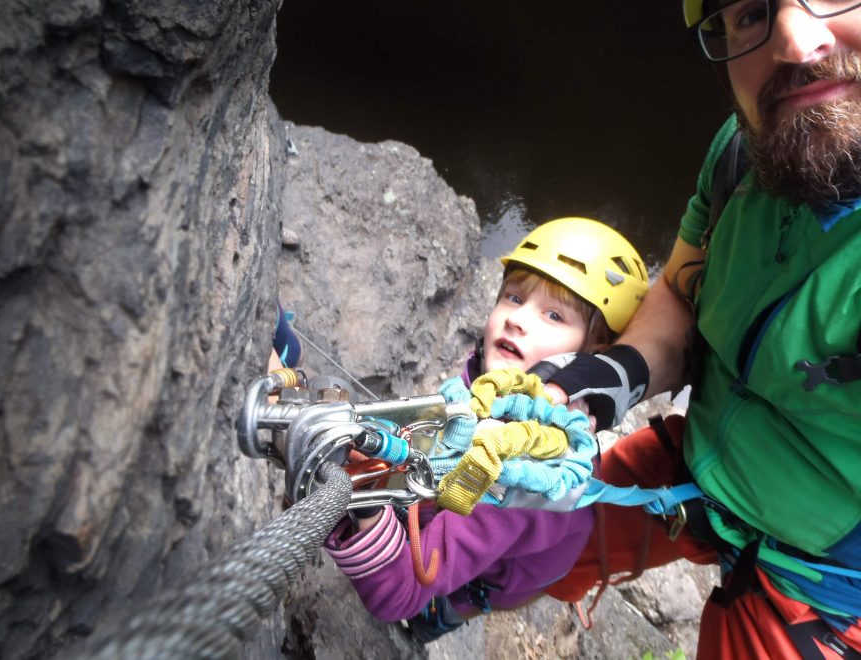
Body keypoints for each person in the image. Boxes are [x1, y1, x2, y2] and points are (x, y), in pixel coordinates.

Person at [536, 2, 861, 658]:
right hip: (709, 457)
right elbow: (684, 288)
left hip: (813, 589)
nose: (797, 43)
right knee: (518, 533)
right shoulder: (748, 151)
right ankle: (444, 595)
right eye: (749, 13)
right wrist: (611, 376)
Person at [322, 217, 649, 642]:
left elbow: (397, 594)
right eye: (514, 297)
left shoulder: (525, 476)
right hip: (513, 533)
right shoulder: (490, 381)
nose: (517, 320)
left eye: (553, 314)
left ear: (590, 360)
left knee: (457, 601)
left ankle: (440, 619)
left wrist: (363, 503)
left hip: (506, 571)